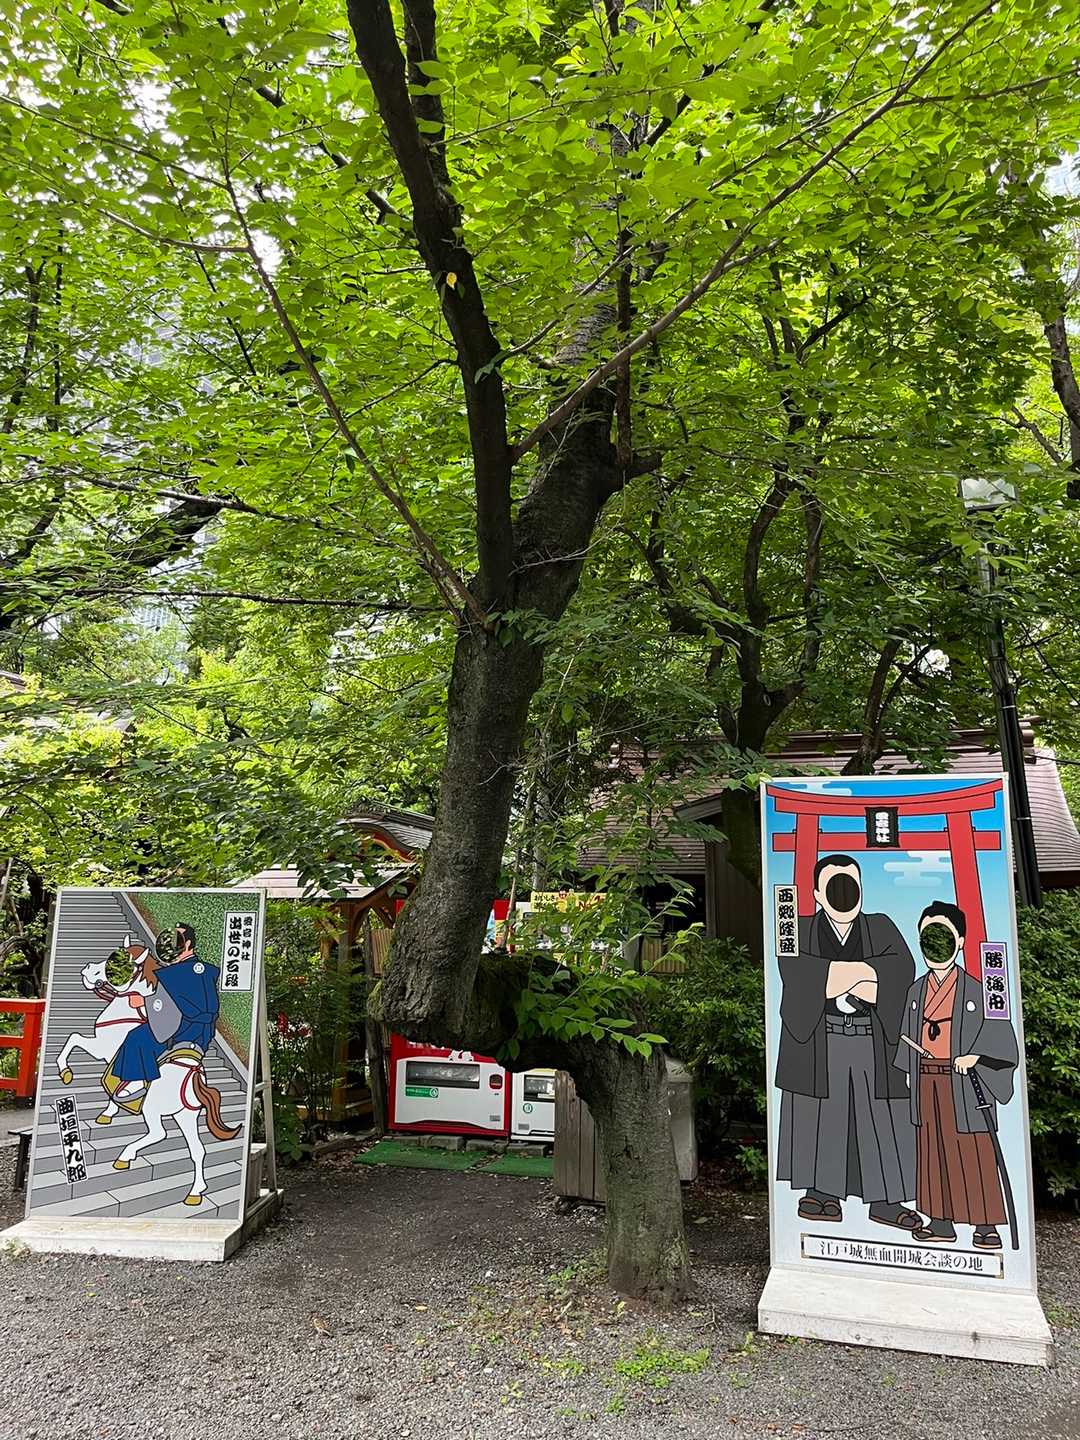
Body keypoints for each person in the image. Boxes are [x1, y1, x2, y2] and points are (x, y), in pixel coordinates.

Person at [776, 854, 919, 1230]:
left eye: (851, 885)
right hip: (820, 1039)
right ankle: (822, 1193)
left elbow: (902, 972)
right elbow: (797, 976)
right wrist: (866, 977)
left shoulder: (881, 926)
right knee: (823, 1115)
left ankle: (886, 1200)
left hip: (873, 1039)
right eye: (835, 886)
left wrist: (832, 976)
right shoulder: (796, 927)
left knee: (881, 1115)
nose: (845, 894)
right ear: (816, 894)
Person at [895, 901, 1018, 1250]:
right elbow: (906, 1036)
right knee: (932, 1148)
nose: (934, 945)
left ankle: (985, 1225)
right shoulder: (916, 991)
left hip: (965, 1081)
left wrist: (976, 1056)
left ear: (960, 941)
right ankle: (940, 1221)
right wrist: (910, 1072)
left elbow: (1002, 1039)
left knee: (973, 1148)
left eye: (943, 935)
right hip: (926, 1078)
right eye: (927, 937)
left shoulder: (979, 990)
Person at [105, 924, 221, 1111]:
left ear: (188, 944)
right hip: (203, 1031)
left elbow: (166, 1006)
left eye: (177, 940)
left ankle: (137, 1082)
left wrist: (144, 1001)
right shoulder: (204, 969)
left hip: (183, 1031)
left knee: (137, 1037)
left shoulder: (176, 973)